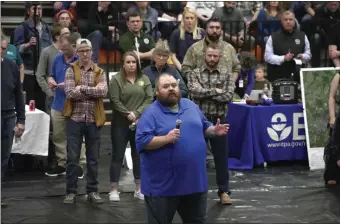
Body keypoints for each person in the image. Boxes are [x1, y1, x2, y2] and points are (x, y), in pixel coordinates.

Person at [136, 73, 229, 223]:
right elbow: (142, 142)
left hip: (194, 183)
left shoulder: (190, 105)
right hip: (163, 187)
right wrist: (166, 139)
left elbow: (204, 126)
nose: (171, 89)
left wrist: (214, 130)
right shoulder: (150, 114)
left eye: (174, 85)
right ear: (157, 91)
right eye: (166, 87)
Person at [187, 43, 235, 205]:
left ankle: (223, 191)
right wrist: (216, 91)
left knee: (221, 159)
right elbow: (193, 91)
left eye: (215, 56)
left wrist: (205, 92)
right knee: (195, 157)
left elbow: (228, 96)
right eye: (210, 55)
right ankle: (193, 191)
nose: (212, 58)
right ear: (204, 55)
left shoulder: (227, 74)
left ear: (220, 57)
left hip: (220, 120)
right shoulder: (194, 73)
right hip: (198, 121)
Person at [63, 39, 108, 204]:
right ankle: (71, 192)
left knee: (93, 158)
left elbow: (103, 91)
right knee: (72, 158)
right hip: (75, 118)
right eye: (81, 50)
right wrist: (92, 92)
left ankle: (93, 190)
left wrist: (81, 88)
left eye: (87, 50)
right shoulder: (70, 69)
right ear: (77, 52)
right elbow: (69, 93)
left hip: (93, 119)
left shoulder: (99, 71)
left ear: (91, 52)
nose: (84, 53)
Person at [108, 51, 153, 201]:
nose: (131, 65)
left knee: (138, 156)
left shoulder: (144, 78)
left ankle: (139, 188)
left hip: (139, 123)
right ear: (123, 64)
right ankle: (114, 189)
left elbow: (149, 98)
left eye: (134, 62)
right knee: (117, 156)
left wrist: (138, 113)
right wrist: (128, 114)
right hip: (120, 123)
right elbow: (114, 100)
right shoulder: (116, 80)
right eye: (128, 62)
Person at [46, 32, 86, 177]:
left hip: (76, 104)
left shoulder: (82, 60)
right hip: (58, 103)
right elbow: (52, 75)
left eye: (64, 48)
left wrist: (69, 85)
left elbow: (87, 82)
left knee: (77, 135)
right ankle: (61, 163)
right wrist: (51, 80)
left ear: (74, 46)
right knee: (58, 135)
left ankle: (79, 164)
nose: (61, 51)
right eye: (60, 48)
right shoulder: (57, 58)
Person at [181, 17, 240, 83]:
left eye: (217, 28)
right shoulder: (195, 48)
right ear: (206, 29)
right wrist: (197, 84)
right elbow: (185, 68)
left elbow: (236, 67)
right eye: (211, 27)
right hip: (200, 90)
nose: (214, 30)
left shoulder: (229, 48)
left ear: (221, 30)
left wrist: (230, 83)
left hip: (225, 90)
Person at [1, 51, 25, 208]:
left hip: (8, 116)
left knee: (3, 158)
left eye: (3, 48)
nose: (2, 51)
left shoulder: (11, 65)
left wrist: (21, 120)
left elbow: (19, 95)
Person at [264, 10, 311, 83]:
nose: (288, 22)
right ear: (281, 21)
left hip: (297, 77)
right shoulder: (273, 37)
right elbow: (267, 57)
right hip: (277, 77)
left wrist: (303, 56)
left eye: (290, 19)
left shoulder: (302, 36)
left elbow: (308, 54)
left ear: (294, 21)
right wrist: (283, 58)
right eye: (285, 20)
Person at [325, 72, 340, 185]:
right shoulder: (338, 75)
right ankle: (332, 173)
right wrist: (332, 116)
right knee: (335, 144)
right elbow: (332, 96)